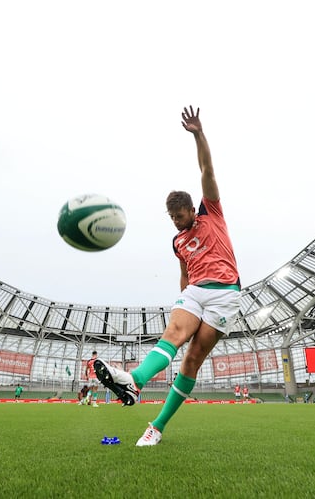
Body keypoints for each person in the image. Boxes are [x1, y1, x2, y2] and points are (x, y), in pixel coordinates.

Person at [94, 106, 241, 446]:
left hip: (224, 294)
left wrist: (198, 134)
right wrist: (183, 299)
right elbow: (185, 273)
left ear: (193, 209)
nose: (176, 221)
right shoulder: (177, 241)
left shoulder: (212, 214)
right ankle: (134, 381)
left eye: (180, 215)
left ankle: (156, 426)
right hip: (194, 293)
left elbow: (207, 169)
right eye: (171, 217)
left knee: (191, 359)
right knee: (174, 332)